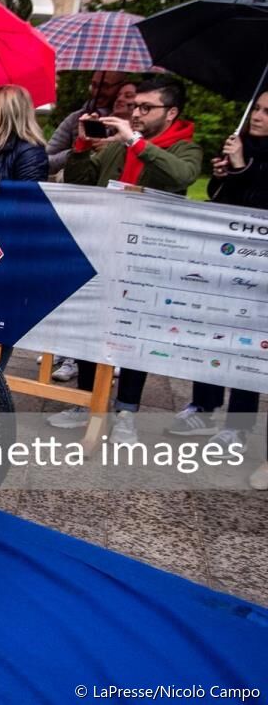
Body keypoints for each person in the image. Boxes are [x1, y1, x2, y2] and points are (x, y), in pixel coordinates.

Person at [50, 76, 203, 445]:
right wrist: (82, 148)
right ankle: (87, 401)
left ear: (171, 113)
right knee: (92, 326)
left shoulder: (185, 148)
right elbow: (82, 182)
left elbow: (182, 175)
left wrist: (136, 142)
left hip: (150, 255)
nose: (136, 113)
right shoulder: (118, 147)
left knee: (136, 335)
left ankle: (126, 412)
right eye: (135, 106)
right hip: (106, 247)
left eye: (146, 108)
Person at [167, 89, 268, 487]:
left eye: (267, 112)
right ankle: (204, 404)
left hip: (258, 267)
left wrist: (242, 169)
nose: (258, 116)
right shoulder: (241, 143)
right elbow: (219, 198)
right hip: (226, 259)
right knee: (211, 331)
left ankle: (238, 424)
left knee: (246, 342)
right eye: (257, 108)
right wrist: (225, 175)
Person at [47, 71, 127, 175]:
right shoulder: (76, 118)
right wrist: (77, 153)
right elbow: (46, 160)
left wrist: (114, 146)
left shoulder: (133, 122)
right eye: (94, 85)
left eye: (105, 86)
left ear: (121, 86)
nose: (97, 91)